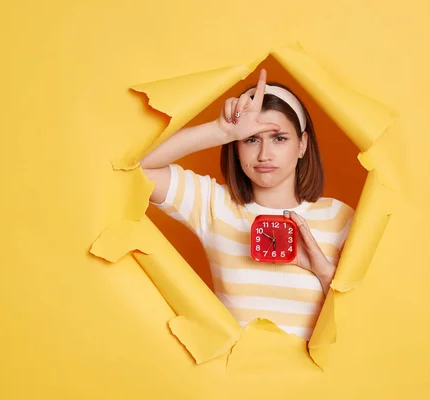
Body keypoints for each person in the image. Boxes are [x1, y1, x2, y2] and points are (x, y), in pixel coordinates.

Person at [140, 69, 354, 340]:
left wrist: (323, 273)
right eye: (251, 140)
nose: (264, 155)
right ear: (236, 146)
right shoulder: (214, 205)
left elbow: (364, 322)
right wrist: (220, 130)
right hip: (232, 377)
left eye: (279, 138)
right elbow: (138, 167)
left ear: (302, 144)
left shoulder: (339, 217)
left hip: (315, 379)